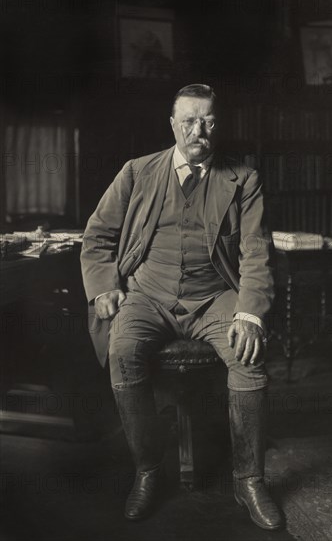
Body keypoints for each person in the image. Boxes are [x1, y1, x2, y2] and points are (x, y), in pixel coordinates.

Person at [80, 84, 281, 530]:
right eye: (189, 121)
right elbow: (97, 238)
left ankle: (249, 480)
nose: (199, 131)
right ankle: (148, 471)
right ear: (172, 124)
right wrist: (103, 289)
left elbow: (256, 252)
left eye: (208, 121)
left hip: (215, 297)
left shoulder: (244, 179)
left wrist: (249, 314)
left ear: (217, 125)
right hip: (148, 295)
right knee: (122, 351)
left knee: (249, 357)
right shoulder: (137, 172)